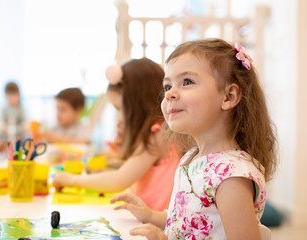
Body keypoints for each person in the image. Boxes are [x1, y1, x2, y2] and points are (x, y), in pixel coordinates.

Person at [110, 39, 278, 239]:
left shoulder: (230, 177)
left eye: (187, 82)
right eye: (167, 86)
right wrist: (151, 215)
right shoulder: (192, 158)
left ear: (229, 96)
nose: (170, 93)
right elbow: (194, 223)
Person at [53, 58, 185, 211]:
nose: (119, 119)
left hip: (153, 226)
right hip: (143, 219)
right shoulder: (157, 133)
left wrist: (72, 180)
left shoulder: (157, 136)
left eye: (119, 109)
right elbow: (131, 169)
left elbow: (119, 180)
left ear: (139, 107)